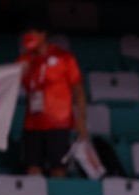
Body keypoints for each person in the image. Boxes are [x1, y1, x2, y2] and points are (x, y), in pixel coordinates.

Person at [17, 20, 87, 177]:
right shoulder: (22, 61)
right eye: (26, 34)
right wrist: (18, 74)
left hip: (59, 124)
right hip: (32, 125)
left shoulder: (64, 58)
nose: (29, 37)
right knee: (32, 169)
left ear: (43, 34)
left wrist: (81, 119)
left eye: (33, 33)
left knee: (58, 169)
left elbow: (79, 91)